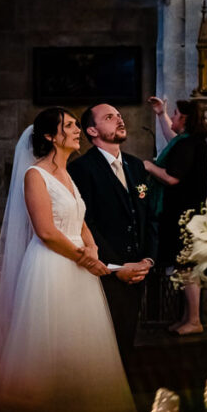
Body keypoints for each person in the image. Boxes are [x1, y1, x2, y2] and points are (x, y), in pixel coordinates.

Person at [0, 108, 135, 412]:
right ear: (50, 136)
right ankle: (40, 411)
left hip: (78, 264)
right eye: (69, 126)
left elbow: (79, 219)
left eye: (76, 125)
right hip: (51, 264)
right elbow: (46, 231)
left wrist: (92, 246)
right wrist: (85, 257)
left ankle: (79, 407)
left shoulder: (67, 174)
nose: (77, 130)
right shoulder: (35, 175)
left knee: (81, 335)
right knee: (50, 337)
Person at [69, 104, 157, 362]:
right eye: (109, 117)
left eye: (119, 115)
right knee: (104, 349)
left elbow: (148, 215)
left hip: (138, 271)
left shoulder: (135, 166)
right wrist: (117, 266)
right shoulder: (81, 169)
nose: (120, 120)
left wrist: (148, 260)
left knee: (127, 343)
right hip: (105, 272)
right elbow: (86, 223)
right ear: (92, 130)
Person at [146, 97, 207, 334]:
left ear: (184, 118)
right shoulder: (188, 142)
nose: (172, 118)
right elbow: (173, 143)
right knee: (183, 266)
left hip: (184, 213)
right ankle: (187, 318)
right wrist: (160, 114)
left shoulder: (189, 144)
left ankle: (194, 320)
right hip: (184, 211)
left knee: (187, 267)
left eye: (174, 114)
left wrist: (148, 166)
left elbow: (172, 177)